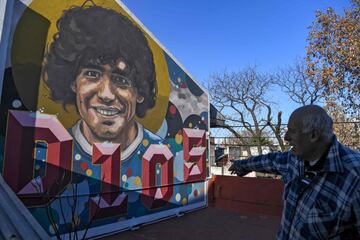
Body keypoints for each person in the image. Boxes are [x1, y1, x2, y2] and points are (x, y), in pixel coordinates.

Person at [42, 5, 162, 177]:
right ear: (73, 82)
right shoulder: (46, 155)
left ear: (140, 93)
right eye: (92, 74)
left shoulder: (162, 150)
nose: (106, 94)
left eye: (121, 80)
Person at [229, 105, 360, 239]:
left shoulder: (354, 177)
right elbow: (270, 161)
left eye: (292, 131)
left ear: (313, 135)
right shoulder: (296, 158)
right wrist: (241, 165)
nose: (286, 137)